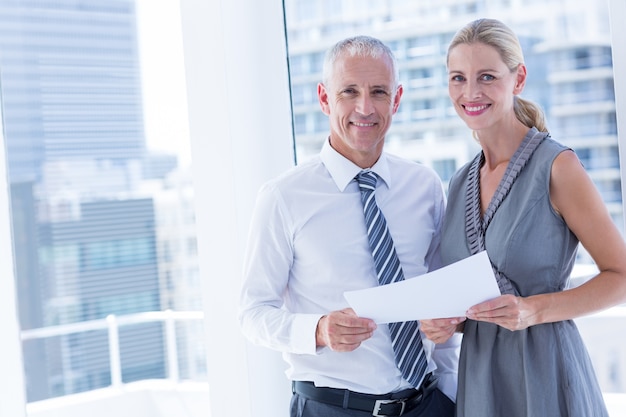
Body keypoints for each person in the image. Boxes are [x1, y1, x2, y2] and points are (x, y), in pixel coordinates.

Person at [239, 35, 460, 417]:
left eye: (378, 92)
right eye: (349, 92)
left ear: (397, 99)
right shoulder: (283, 196)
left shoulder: (424, 187)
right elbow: (252, 313)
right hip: (333, 408)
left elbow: (438, 297)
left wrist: (453, 395)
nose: (365, 107)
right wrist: (319, 330)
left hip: (429, 404)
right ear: (325, 98)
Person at [421, 18, 626, 417]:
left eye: (486, 77)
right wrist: (447, 324)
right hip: (482, 380)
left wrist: (534, 310)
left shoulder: (557, 167)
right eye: (458, 78)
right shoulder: (460, 181)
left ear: (519, 78)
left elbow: (621, 276)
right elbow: (473, 296)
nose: (470, 92)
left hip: (547, 373)